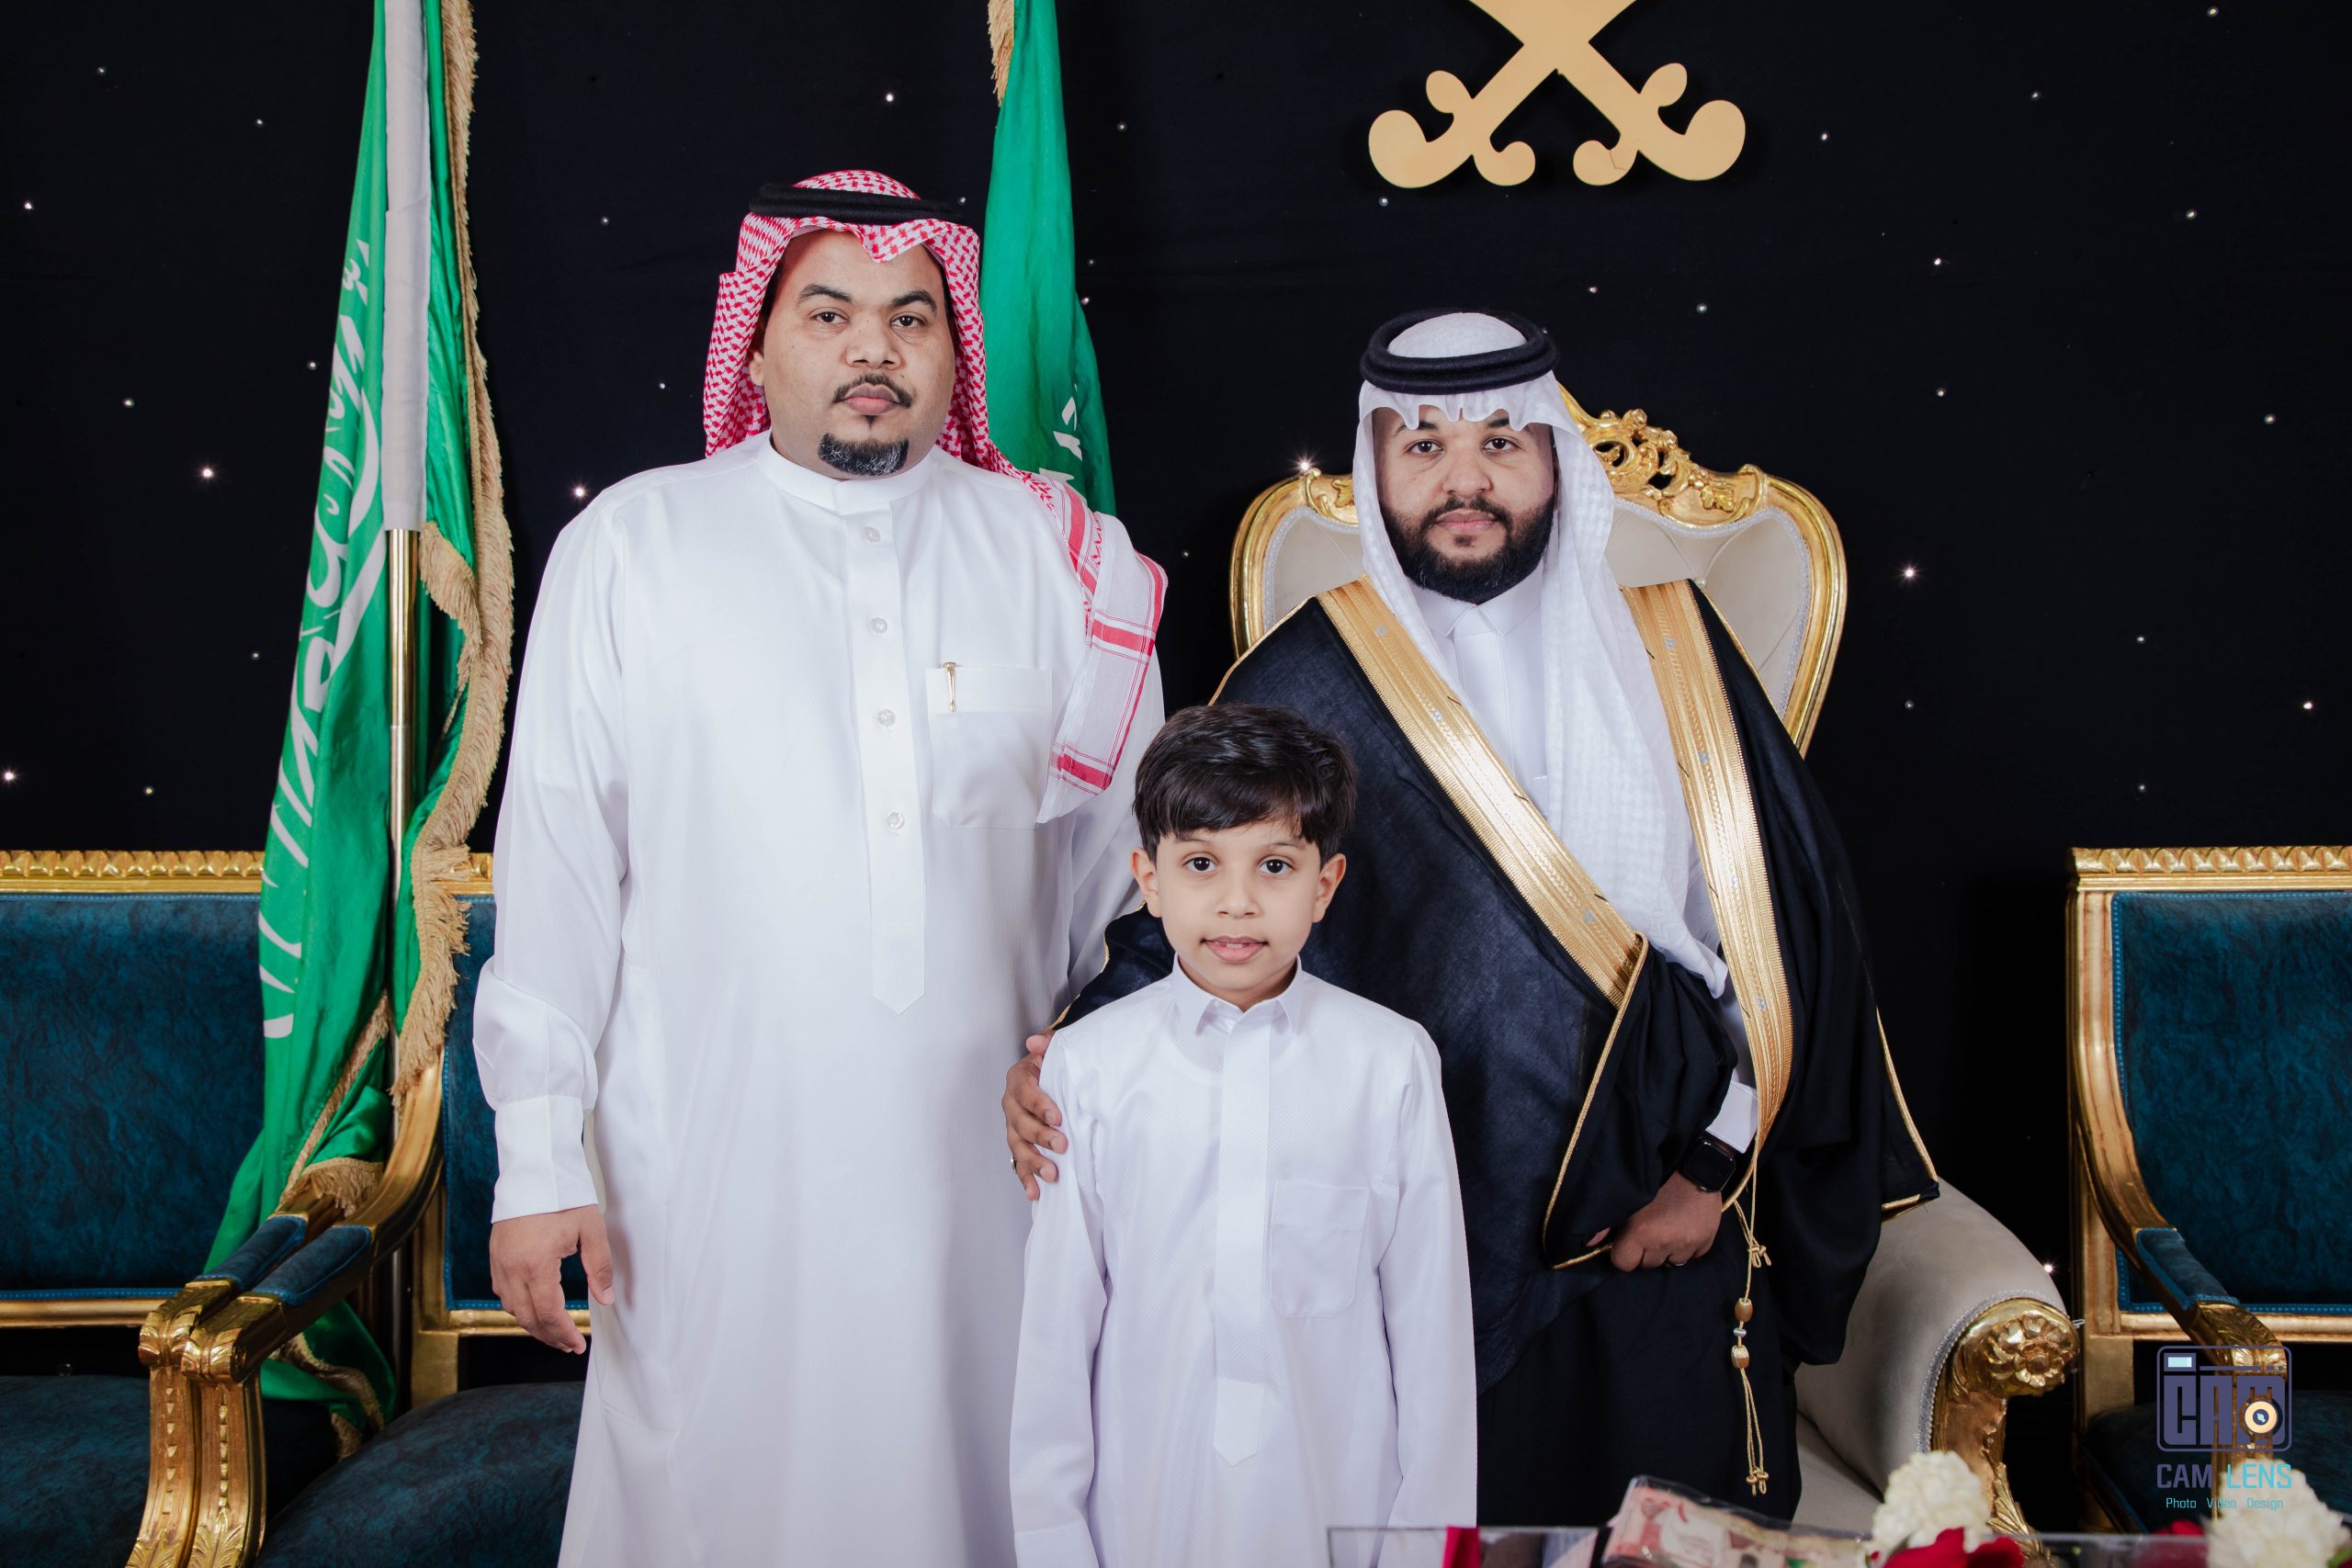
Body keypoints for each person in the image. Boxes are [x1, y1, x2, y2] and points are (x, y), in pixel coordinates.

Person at [1005, 310, 1937, 1525]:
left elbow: (1787, 938)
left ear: (1556, 457)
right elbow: (1193, 914)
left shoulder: (1679, 650)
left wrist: (1712, 1168)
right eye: (1422, 445)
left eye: (1501, 440)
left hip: (1658, 1223)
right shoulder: (1312, 675)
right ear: (1375, 467)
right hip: (1424, 1238)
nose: (1463, 478)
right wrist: (1060, 1063)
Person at [476, 170, 1164, 1567]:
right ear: (756, 344)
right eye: (829, 313)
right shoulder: (633, 546)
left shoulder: (1062, 561)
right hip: (707, 1163)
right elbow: (557, 875)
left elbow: (1135, 884)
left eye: (912, 318)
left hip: (1000, 1161)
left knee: (992, 1475)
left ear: (952, 352)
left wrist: (1126, 1100)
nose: (874, 350)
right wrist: (538, 1160)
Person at [1008, 704, 1476, 1567]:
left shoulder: (1391, 1064)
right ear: (1148, 879)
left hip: (1340, 1507)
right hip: (1143, 1514)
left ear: (1324, 885)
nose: (1237, 901)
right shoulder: (1090, 1066)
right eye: (1200, 863)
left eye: (1275, 865)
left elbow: (1433, 1341)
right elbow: (1056, 1341)